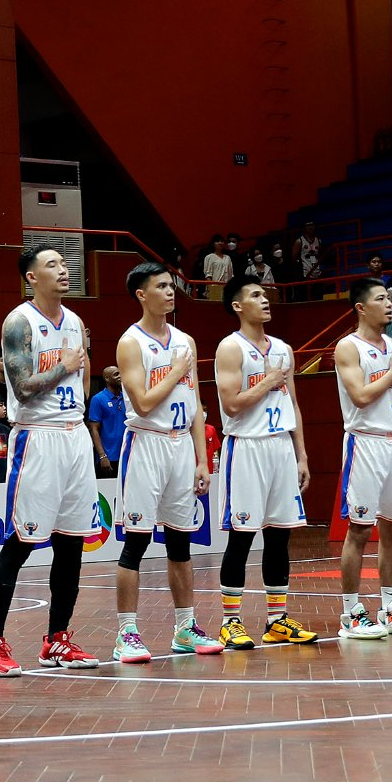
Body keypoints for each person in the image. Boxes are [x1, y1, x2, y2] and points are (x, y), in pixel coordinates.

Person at [0, 246, 100, 675]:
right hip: (38, 438)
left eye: (64, 263)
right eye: (52, 265)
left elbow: (83, 381)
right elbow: (22, 385)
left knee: (71, 545)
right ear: (31, 277)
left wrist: (73, 374)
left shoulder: (76, 321)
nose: (63, 270)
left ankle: (57, 639)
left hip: (74, 437)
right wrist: (65, 366)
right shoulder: (20, 321)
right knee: (22, 542)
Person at [109, 263, 222, 662]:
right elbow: (141, 401)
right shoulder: (130, 342)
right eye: (161, 286)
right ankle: (126, 633)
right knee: (136, 542)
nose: (170, 292)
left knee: (180, 541)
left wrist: (201, 459)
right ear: (142, 294)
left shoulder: (186, 340)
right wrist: (175, 371)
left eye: (171, 286)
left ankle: (185, 628)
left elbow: (194, 407)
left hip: (180, 448)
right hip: (146, 444)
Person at [212, 276, 317, 649]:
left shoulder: (284, 349)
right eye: (255, 295)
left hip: (280, 449)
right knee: (241, 537)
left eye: (265, 293)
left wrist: (301, 452)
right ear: (238, 306)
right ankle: (230, 621)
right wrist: (268, 382)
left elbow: (293, 403)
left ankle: (276, 620)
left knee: (279, 537)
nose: (265, 299)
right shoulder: (230, 348)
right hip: (247, 446)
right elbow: (231, 404)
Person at [333, 279, 392, 639]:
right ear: (361, 307)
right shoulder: (347, 347)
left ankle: (391, 607)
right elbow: (361, 396)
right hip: (365, 442)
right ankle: (351, 611)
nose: (389, 304)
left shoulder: (390, 344)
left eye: (390, 298)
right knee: (359, 529)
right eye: (381, 299)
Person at [86, 364, 125, 476]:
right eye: (116, 374)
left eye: (120, 373)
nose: (120, 376)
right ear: (107, 378)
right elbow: (94, 429)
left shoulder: (126, 398)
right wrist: (102, 456)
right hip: (108, 458)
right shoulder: (98, 399)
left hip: (125, 456)